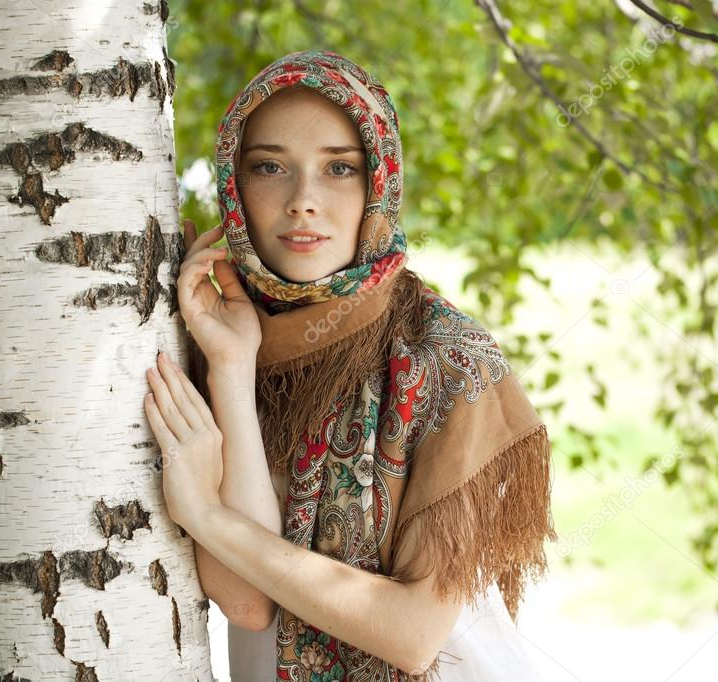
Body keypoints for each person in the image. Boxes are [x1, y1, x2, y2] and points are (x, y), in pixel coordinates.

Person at [144, 49, 555, 681]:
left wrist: (205, 516)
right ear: (235, 184)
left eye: (339, 168)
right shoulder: (216, 335)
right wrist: (230, 366)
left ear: (378, 184)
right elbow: (249, 603)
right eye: (269, 167)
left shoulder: (447, 358)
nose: (302, 200)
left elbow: (413, 635)